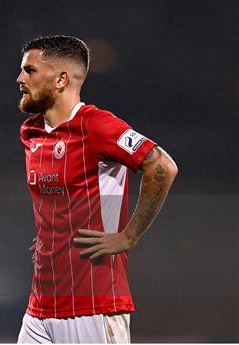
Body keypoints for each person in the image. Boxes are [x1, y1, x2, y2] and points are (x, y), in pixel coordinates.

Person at [16, 35, 178, 343]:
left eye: (30, 70)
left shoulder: (97, 126)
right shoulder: (32, 132)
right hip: (40, 307)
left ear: (61, 79)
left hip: (92, 305)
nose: (20, 78)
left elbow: (163, 167)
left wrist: (128, 236)